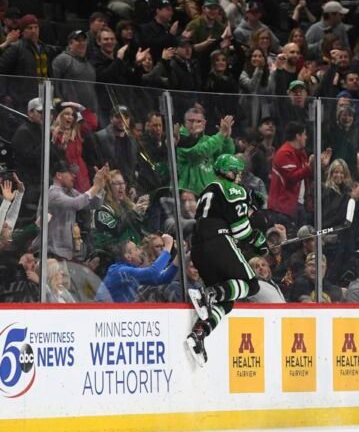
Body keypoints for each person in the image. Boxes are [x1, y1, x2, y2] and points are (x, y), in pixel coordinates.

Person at [185, 154, 269, 367]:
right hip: (218, 241)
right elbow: (240, 231)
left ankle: (199, 334)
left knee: (228, 300)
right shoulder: (232, 188)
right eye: (237, 172)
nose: (239, 177)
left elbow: (228, 216)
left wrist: (250, 211)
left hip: (199, 248)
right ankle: (210, 294)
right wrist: (258, 240)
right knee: (251, 284)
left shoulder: (210, 189)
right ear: (229, 171)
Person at [94, 234, 179, 303]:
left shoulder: (129, 271)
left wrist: (180, 255)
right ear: (128, 256)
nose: (140, 251)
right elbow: (152, 273)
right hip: (103, 319)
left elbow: (164, 278)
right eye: (136, 249)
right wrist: (167, 247)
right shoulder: (119, 271)